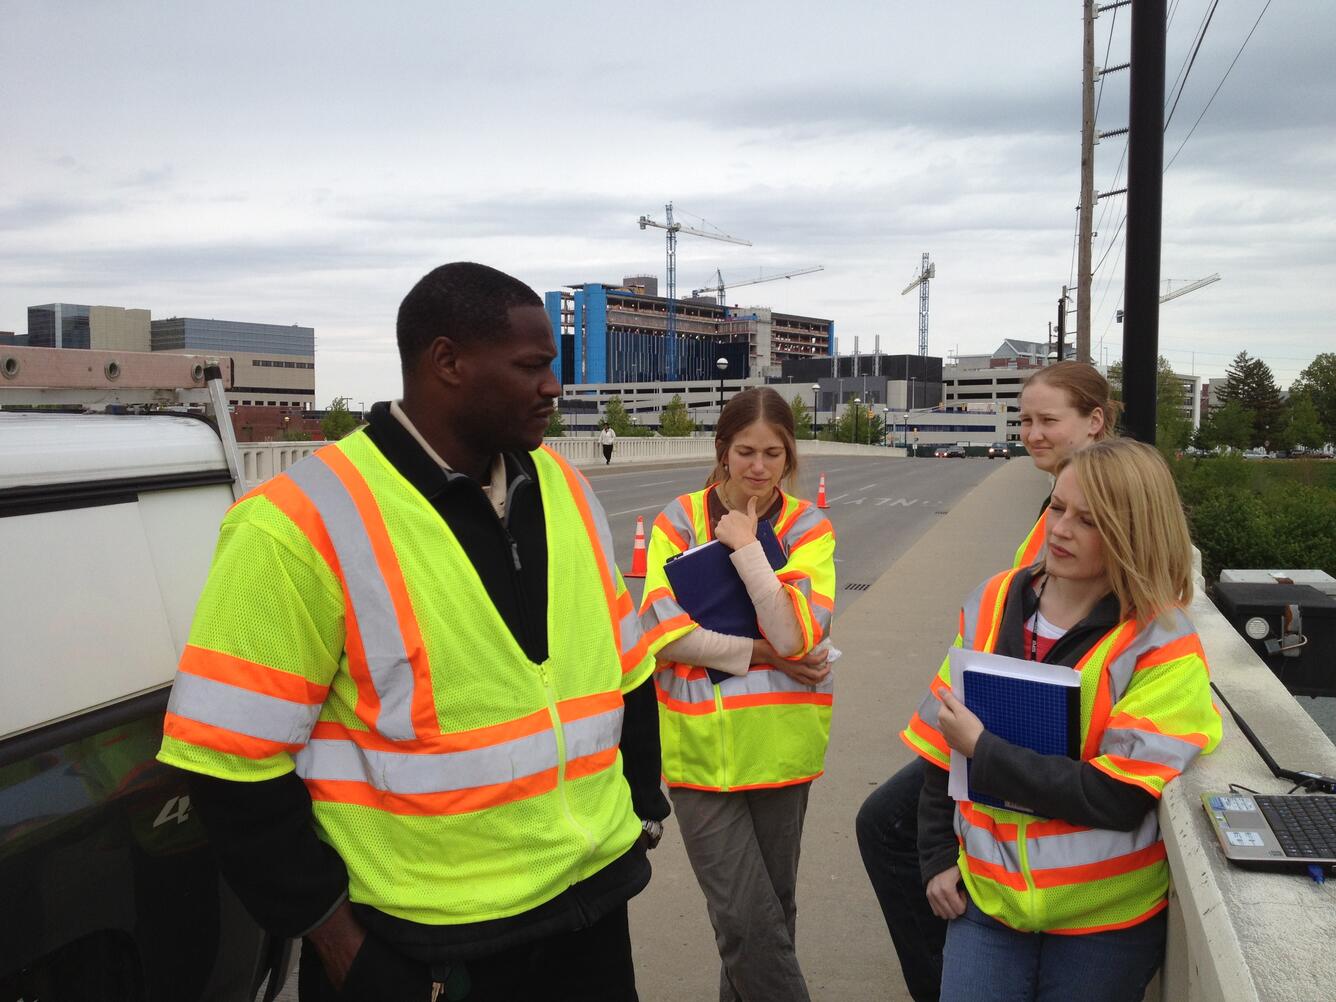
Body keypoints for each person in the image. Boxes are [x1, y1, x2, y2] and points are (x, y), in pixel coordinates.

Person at [157, 262, 668, 1001]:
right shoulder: (296, 523)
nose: (553, 387)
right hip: (422, 951)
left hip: (588, 920)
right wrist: (342, 947)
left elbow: (624, 667)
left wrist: (642, 807)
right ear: (447, 363)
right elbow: (225, 764)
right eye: (532, 366)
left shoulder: (564, 487)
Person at [904, 438, 1221, 1002]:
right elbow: (938, 750)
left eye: (1089, 520)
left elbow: (1118, 796)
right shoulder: (994, 600)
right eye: (1056, 507)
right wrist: (935, 859)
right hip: (988, 899)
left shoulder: (1162, 642)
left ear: (1134, 533)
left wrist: (986, 751)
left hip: (1103, 920)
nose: (1060, 529)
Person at [856, 360, 1117, 1002]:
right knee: (898, 824)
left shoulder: (1106, 502)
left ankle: (946, 977)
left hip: (1033, 723)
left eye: (1048, 420)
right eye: (1024, 419)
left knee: (890, 826)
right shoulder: (1053, 496)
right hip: (1003, 711)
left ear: (1095, 422)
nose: (1031, 433)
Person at [638, 387, 836, 1002]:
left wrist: (748, 549)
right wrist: (764, 653)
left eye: (773, 454)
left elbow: (797, 630)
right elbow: (661, 633)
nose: (758, 467)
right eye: (745, 452)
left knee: (770, 919)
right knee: (744, 924)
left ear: (789, 456)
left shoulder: (808, 526)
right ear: (723, 451)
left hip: (781, 750)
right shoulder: (679, 519)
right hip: (700, 756)